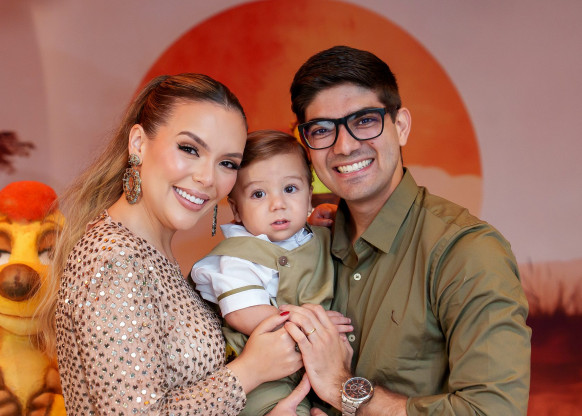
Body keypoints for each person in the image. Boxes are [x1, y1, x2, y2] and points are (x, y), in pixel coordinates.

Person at [36, 73, 317, 415]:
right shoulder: (114, 259)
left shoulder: (147, 252)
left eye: (227, 163)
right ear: (138, 143)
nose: (207, 178)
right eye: (190, 149)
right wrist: (250, 371)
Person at [279, 46, 531, 415]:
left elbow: (493, 411)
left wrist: (342, 389)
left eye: (364, 120)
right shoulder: (305, 242)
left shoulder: (466, 251)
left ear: (401, 126)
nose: (344, 146)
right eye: (322, 130)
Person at [192, 130, 348, 416]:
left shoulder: (318, 236)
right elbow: (244, 313)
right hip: (267, 379)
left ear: (309, 195)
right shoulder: (238, 256)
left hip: (321, 364)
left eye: (290, 189)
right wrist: (312, 325)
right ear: (237, 210)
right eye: (259, 194)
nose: (278, 204)